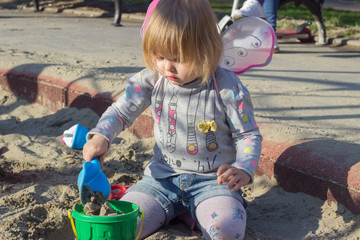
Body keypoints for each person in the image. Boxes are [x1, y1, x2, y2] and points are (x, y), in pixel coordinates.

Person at [82, 0, 262, 239]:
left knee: (226, 230)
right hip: (159, 181)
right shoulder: (152, 79)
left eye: (178, 58)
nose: (168, 67)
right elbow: (121, 111)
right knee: (119, 225)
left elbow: (247, 134)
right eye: (159, 56)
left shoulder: (227, 87)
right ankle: (175, 213)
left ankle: (197, 213)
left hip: (214, 184)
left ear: (206, 49)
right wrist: (101, 135)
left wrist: (243, 168)